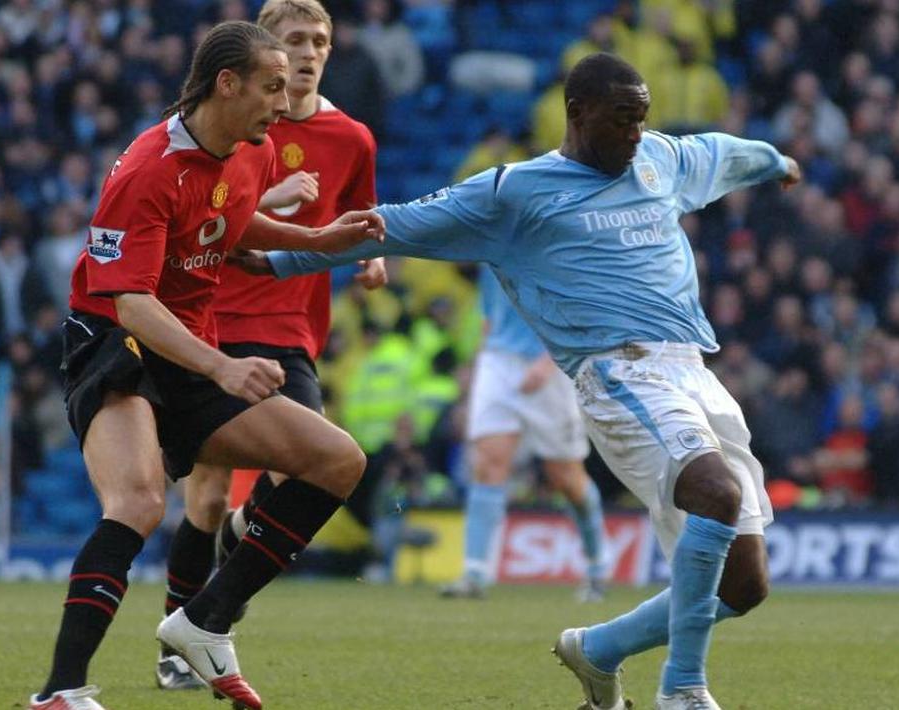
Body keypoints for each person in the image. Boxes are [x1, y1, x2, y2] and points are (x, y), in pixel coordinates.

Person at [243, 52, 802, 710]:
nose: (634, 132)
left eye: (641, 119)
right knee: (712, 491)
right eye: (621, 119)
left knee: (744, 585)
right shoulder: (514, 193)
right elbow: (387, 226)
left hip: (692, 371)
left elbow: (727, 154)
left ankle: (597, 650)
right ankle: (681, 690)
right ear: (576, 113)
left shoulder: (659, 159)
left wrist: (776, 162)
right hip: (617, 372)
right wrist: (275, 258)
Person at [28, 21, 383, 710]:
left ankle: (201, 619)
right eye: (271, 88)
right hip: (116, 347)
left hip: (189, 344)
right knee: (136, 502)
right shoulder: (146, 168)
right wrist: (222, 369)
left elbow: (235, 220)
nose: (284, 106)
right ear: (228, 84)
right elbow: (130, 304)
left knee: (337, 460)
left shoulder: (246, 147)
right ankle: (60, 692)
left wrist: (315, 238)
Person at [154, 0, 384, 692]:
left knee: (306, 471)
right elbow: (198, 210)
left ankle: (221, 579)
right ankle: (180, 643)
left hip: (291, 330)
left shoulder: (353, 138)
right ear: (266, 52)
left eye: (319, 40)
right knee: (206, 495)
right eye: (294, 41)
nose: (308, 52)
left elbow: (360, 216)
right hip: (212, 322)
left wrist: (375, 257)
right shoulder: (242, 127)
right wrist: (271, 201)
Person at [439, 264, 609, 601]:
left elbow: (578, 309)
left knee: (565, 477)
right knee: (487, 465)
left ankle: (597, 566)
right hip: (498, 360)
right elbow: (489, 311)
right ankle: (474, 573)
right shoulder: (492, 238)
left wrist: (547, 363)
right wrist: (478, 363)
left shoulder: (553, 239)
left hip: (551, 362)